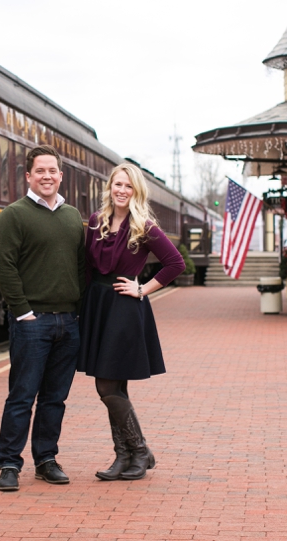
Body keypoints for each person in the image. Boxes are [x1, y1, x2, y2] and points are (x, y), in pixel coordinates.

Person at [77, 162, 184, 481]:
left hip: (124, 308)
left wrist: (142, 289)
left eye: (128, 186)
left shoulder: (144, 225)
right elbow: (86, 266)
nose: (122, 190)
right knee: (112, 385)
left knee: (107, 384)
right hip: (97, 306)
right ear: (109, 187)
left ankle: (137, 451)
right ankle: (127, 456)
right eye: (117, 184)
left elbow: (174, 263)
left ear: (136, 191)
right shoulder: (96, 222)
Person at [0, 144, 85, 492]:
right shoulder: (13, 215)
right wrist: (23, 313)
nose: (47, 176)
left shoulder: (72, 216)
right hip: (33, 322)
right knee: (22, 395)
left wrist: (77, 312)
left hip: (67, 322)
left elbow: (80, 266)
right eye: (40, 171)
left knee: (54, 399)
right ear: (29, 176)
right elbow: (5, 267)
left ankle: (46, 459)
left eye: (53, 171)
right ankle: (9, 464)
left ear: (61, 176)